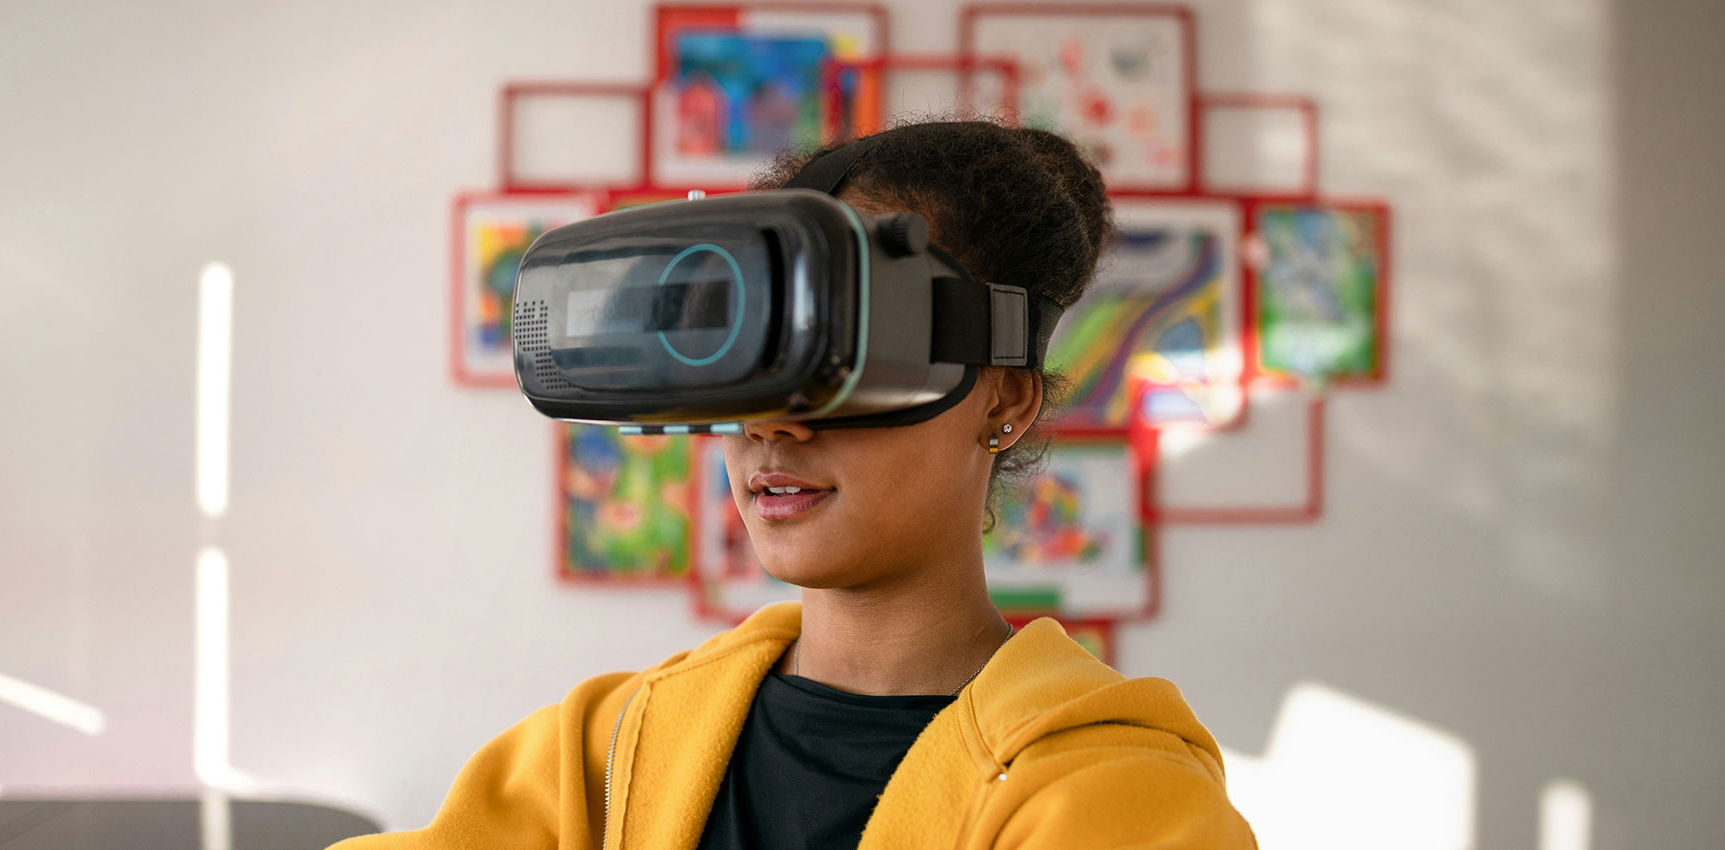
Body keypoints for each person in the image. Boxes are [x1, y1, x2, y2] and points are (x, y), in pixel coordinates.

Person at [328, 118, 1257, 849]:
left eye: (842, 359)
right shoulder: (607, 749)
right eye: (750, 359)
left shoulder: (1115, 799)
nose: (774, 423)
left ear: (1001, 401)